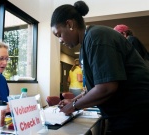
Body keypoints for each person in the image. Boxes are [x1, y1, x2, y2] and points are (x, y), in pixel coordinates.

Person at [51, 1, 149, 135]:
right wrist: (73, 100)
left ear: (70, 24)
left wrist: (73, 106)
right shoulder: (85, 47)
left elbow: (106, 87)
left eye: (58, 34)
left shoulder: (97, 36)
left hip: (136, 114)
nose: (60, 40)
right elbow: (93, 87)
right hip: (122, 115)